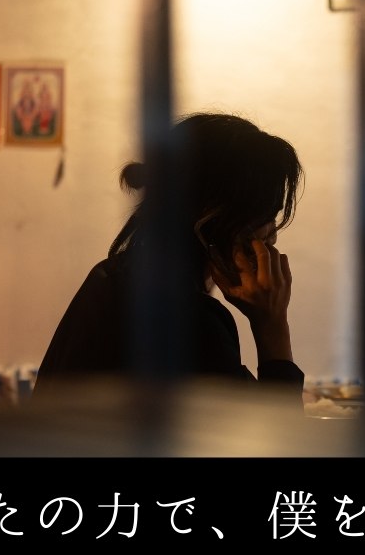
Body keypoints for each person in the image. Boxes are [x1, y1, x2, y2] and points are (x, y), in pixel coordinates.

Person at [32, 113, 304, 399]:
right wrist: (272, 326)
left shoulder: (112, 276)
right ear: (214, 216)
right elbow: (278, 426)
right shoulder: (192, 321)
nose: (271, 236)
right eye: (266, 216)